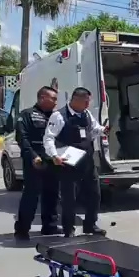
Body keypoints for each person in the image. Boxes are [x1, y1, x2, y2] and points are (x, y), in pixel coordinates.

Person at [44, 87, 108, 237]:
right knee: (69, 198)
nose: (87, 105)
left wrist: (102, 130)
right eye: (85, 102)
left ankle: (90, 225)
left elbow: (93, 129)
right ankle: (68, 229)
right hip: (68, 162)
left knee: (94, 194)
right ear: (76, 100)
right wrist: (54, 155)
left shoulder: (86, 114)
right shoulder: (58, 116)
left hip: (87, 161)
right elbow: (49, 138)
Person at [13, 86, 61, 241]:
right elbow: (22, 138)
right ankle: (22, 229)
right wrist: (33, 156)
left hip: (52, 160)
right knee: (31, 195)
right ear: (42, 98)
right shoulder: (27, 115)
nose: (55, 102)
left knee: (52, 194)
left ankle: (49, 226)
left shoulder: (56, 116)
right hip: (35, 161)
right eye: (52, 98)